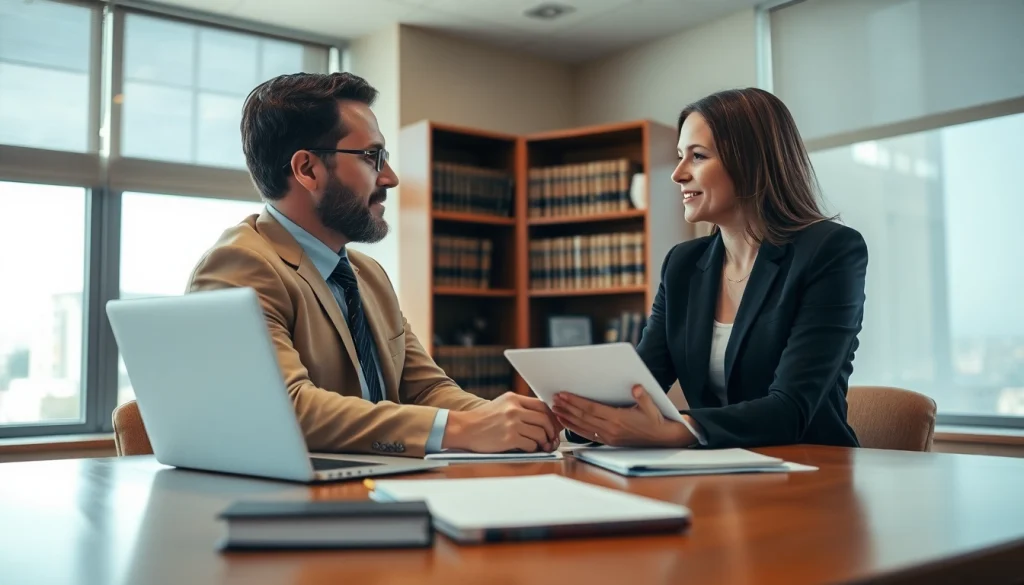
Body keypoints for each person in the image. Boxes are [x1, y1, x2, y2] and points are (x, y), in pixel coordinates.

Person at [186, 72, 560, 457]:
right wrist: (464, 428)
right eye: (372, 156)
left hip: (383, 486)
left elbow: (426, 389)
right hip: (301, 506)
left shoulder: (368, 275)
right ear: (308, 170)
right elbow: (286, 408)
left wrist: (512, 422)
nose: (391, 177)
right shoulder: (239, 265)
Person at [553, 88, 867, 449]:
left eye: (697, 156)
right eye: (678, 157)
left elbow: (790, 409)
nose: (677, 174)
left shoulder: (831, 251)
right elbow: (637, 385)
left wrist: (677, 430)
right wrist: (569, 415)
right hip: (715, 476)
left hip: (812, 474)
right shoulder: (682, 265)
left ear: (750, 162)